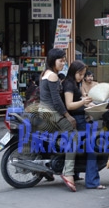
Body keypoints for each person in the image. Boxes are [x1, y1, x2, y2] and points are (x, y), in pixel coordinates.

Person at [62, 60, 106, 190]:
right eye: (80, 74)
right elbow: (69, 105)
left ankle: (75, 174)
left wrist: (90, 104)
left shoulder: (76, 83)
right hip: (76, 119)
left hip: (81, 117)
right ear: (73, 72)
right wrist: (84, 102)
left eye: (84, 74)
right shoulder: (69, 84)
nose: (82, 77)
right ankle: (92, 181)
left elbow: (81, 99)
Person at [39, 48, 77, 192]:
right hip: (52, 114)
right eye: (61, 60)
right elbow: (56, 101)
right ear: (52, 60)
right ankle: (68, 173)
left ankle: (47, 168)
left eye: (64, 60)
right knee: (73, 136)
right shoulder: (53, 76)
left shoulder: (44, 74)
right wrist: (68, 116)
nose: (63, 63)